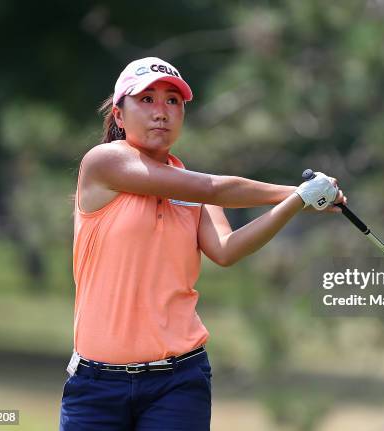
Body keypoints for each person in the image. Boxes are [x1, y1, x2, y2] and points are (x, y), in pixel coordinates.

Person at [59, 57, 347, 431]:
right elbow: (213, 188)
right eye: (146, 100)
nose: (161, 112)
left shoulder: (187, 182)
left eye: (172, 101)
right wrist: (297, 191)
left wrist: (298, 203)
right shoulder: (104, 163)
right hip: (95, 387)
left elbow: (226, 250)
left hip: (177, 383)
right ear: (119, 114)